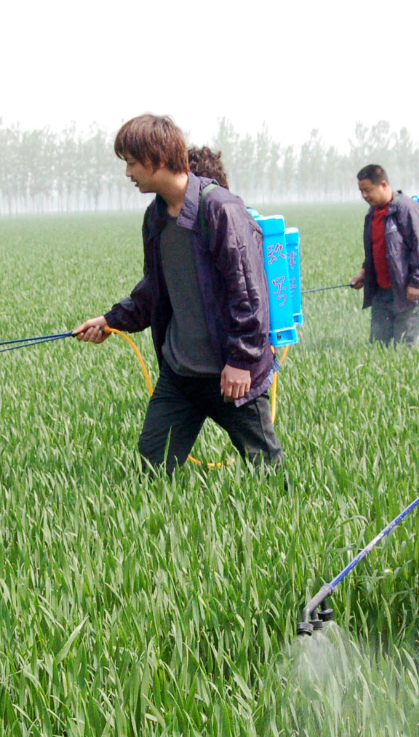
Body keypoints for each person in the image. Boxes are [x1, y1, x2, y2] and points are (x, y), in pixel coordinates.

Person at [73, 115, 282, 472]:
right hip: (180, 373)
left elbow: (249, 292)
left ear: (156, 158)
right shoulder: (155, 217)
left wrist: (241, 361)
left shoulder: (220, 209)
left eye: (132, 162)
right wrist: (111, 320)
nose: (128, 173)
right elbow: (154, 288)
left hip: (230, 376)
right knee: (151, 469)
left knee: (267, 473)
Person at [349, 165, 419, 346]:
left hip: (409, 292)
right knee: (378, 346)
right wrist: (365, 272)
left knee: (403, 349)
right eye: (361, 191)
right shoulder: (372, 214)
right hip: (383, 291)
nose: (364, 196)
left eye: (367, 190)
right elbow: (375, 249)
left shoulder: (407, 209)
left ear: (383, 184)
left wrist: (417, 283)